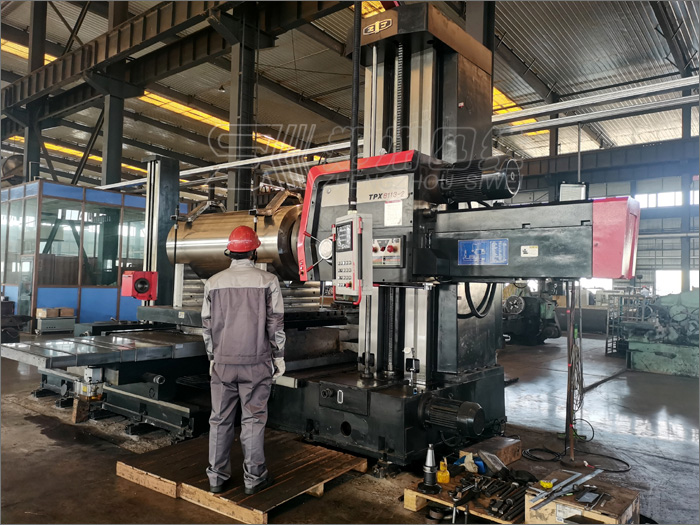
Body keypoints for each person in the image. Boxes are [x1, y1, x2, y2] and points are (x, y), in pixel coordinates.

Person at [201, 225, 286, 495]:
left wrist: (213, 356)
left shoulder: (213, 283)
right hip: (256, 363)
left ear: (230, 252)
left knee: (219, 419)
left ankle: (216, 478)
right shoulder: (268, 281)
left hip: (223, 363)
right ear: (254, 252)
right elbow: (275, 324)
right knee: (253, 419)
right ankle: (254, 478)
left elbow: (207, 326)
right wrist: (278, 356)